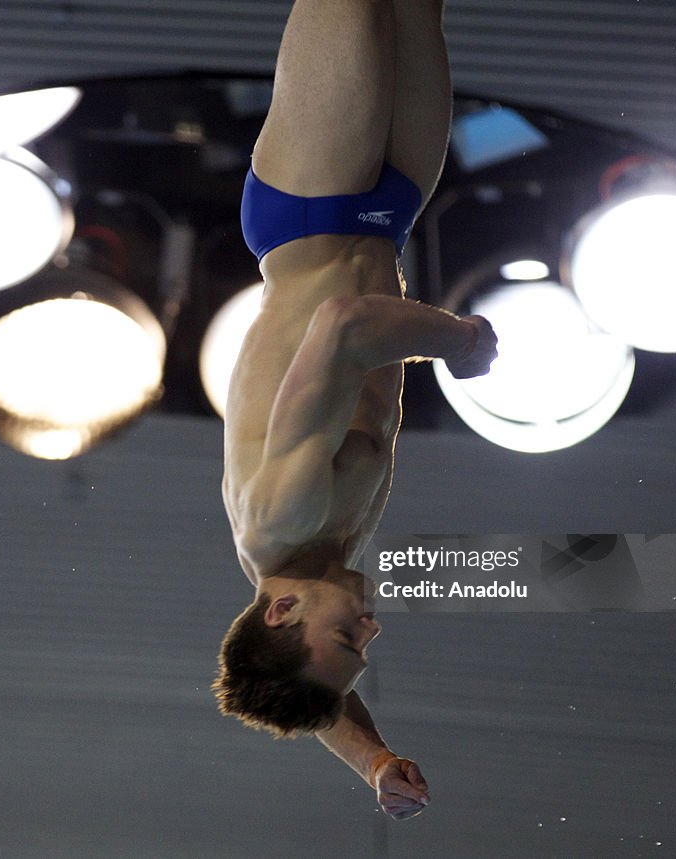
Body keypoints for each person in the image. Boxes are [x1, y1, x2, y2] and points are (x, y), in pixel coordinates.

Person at [213, 0, 497, 821]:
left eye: (350, 639)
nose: (370, 629)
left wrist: (458, 342)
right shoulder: (309, 565)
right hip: (384, 220)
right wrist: (373, 759)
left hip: (313, 202)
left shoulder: (284, 513)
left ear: (282, 609)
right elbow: (317, 689)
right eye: (361, 650)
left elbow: (344, 327)